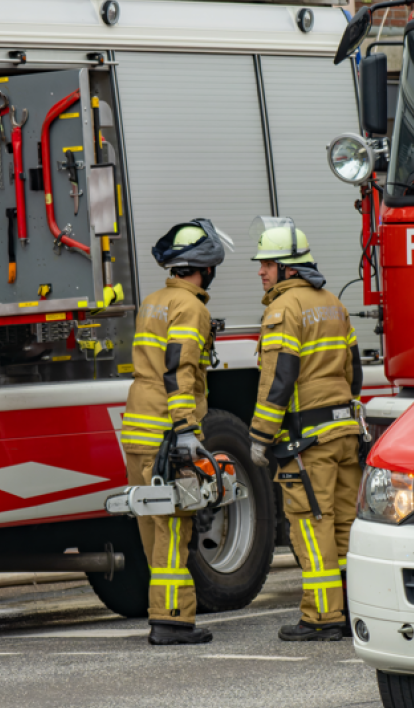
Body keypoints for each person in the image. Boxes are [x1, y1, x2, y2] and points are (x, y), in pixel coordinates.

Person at [247, 217, 363, 642]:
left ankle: (321, 617)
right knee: (345, 525)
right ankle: (354, 610)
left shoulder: (283, 309)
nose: (261, 271)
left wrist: (260, 437)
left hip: (306, 443)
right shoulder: (333, 303)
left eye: (268, 264)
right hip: (343, 433)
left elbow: (279, 377)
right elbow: (354, 374)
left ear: (289, 269)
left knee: (311, 526)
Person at [122, 219, 230, 646]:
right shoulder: (192, 308)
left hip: (138, 427)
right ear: (204, 267)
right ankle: (171, 620)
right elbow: (179, 369)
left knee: (153, 528)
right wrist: (186, 429)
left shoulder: (154, 301)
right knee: (172, 528)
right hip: (166, 431)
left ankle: (161, 612)